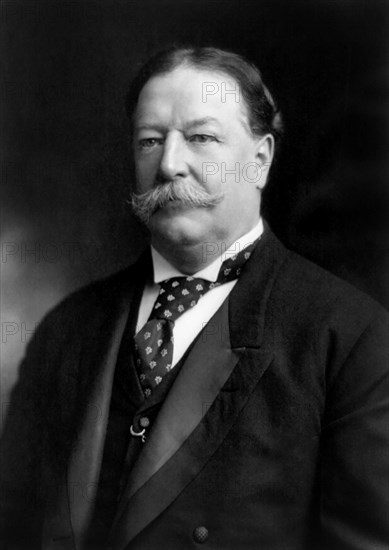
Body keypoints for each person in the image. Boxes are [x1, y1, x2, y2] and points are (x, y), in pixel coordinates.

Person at [1, 46, 388, 550]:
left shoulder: (350, 338)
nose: (169, 164)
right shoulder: (67, 327)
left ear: (260, 160)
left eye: (201, 137)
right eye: (149, 141)